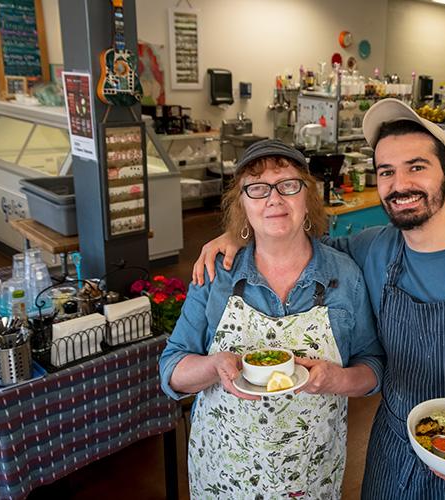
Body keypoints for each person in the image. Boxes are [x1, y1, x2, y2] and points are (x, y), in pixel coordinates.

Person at [192, 99, 445, 499]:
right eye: (386, 171)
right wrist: (240, 233)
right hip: (391, 448)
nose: (399, 184)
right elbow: (291, 244)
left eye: (416, 167)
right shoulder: (371, 248)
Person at [159, 138, 385, 500]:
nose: (274, 198)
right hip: (224, 474)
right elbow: (172, 370)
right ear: (243, 204)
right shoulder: (216, 274)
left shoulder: (345, 275)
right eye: (258, 188)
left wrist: (338, 379)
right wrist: (213, 366)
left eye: (288, 185)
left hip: (310, 472)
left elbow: (373, 369)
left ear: (307, 197)